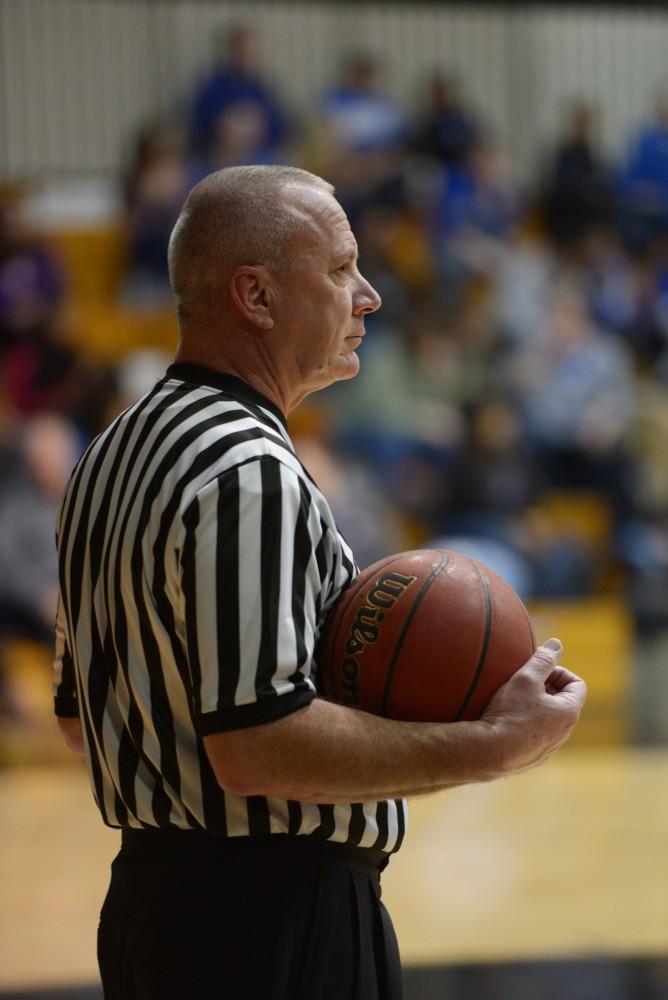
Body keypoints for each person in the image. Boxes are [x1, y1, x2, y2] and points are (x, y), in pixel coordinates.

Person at [53, 165, 586, 1000]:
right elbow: (257, 747)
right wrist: (493, 746)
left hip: (152, 909)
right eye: (340, 269)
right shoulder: (248, 471)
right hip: (272, 926)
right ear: (256, 296)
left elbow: (86, 723)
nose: (368, 295)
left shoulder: (106, 457)